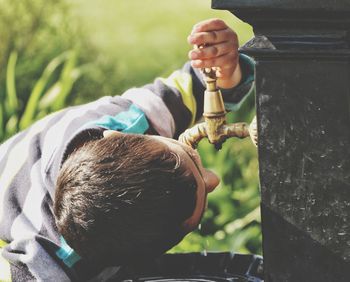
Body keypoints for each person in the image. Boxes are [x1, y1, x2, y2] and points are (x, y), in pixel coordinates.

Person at [0, 19, 255, 281]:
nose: (214, 179)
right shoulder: (47, 260)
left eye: (191, 156)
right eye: (191, 154)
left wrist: (223, 70)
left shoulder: (137, 128)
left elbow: (191, 88)